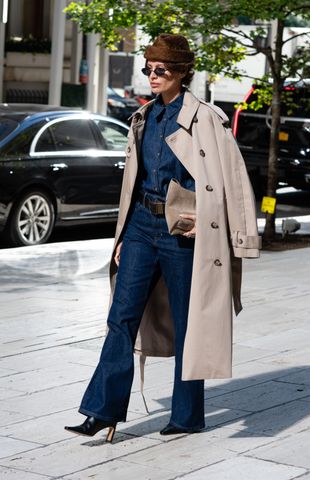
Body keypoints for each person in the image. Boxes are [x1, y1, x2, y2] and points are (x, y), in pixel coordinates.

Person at [65, 34, 261, 443]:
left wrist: (224, 228)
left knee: (191, 323)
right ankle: (102, 410)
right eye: (149, 68)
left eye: (162, 70)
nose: (153, 76)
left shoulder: (206, 118)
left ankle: (188, 415)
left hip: (183, 234)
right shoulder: (144, 116)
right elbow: (134, 184)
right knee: (120, 317)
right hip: (140, 228)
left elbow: (232, 181)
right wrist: (122, 235)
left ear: (182, 73)